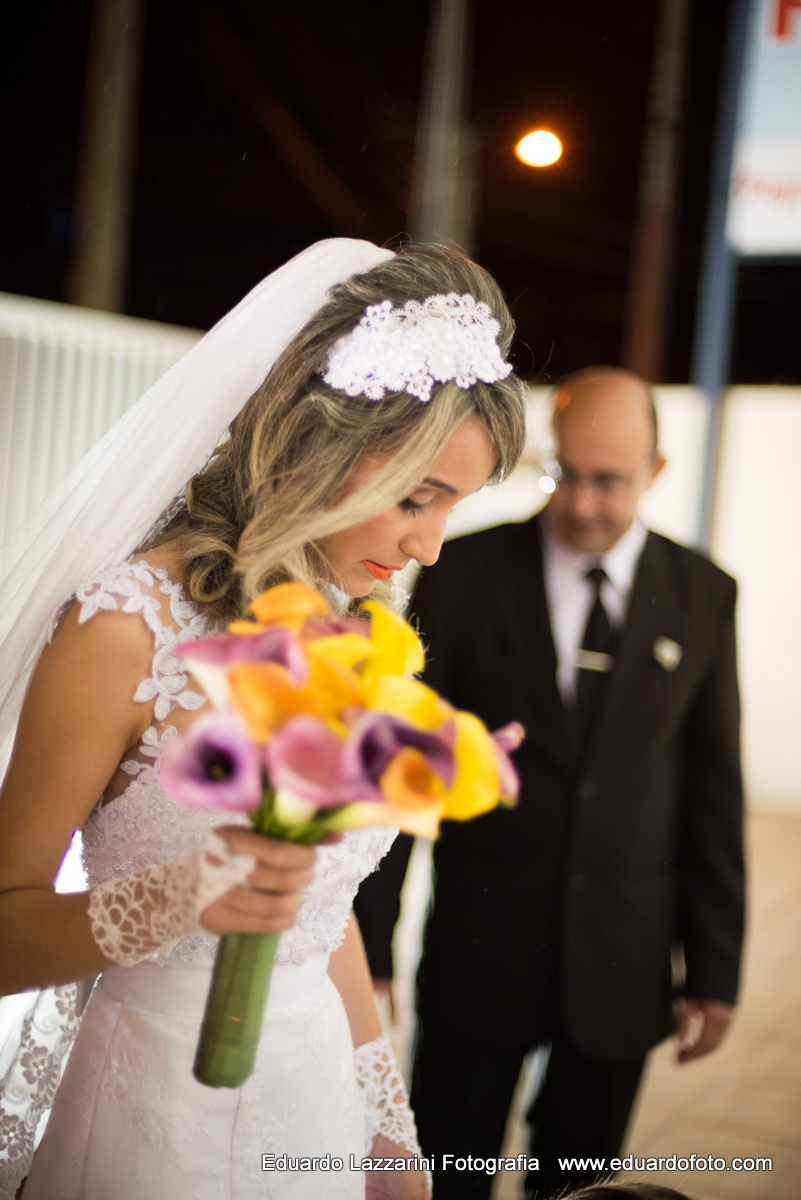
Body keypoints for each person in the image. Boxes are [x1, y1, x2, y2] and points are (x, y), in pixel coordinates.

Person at [0, 238, 526, 1200]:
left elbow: (319, 911)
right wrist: (172, 902)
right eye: (416, 499)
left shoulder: (350, 629)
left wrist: (385, 1134)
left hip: (311, 1108)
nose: (432, 547)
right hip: (144, 1128)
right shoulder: (124, 631)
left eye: (453, 508)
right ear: (319, 447)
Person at [355, 367, 744, 1198]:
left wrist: (714, 967)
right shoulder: (463, 571)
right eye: (565, 473)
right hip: (476, 954)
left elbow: (712, 788)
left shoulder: (704, 595)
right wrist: (371, 944)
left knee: (579, 1186)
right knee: (446, 1172)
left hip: (622, 962)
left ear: (656, 473)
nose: (582, 502)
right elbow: (406, 767)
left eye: (610, 481)